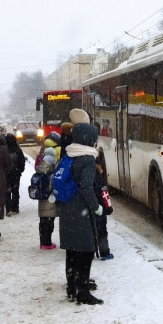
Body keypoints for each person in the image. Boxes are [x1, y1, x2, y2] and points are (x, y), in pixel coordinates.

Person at [59, 122, 105, 305]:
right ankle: (83, 291)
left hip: (67, 209)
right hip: (81, 211)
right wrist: (96, 207)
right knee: (86, 251)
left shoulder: (69, 154)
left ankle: (71, 288)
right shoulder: (87, 159)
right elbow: (86, 187)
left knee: (71, 251)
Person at [35, 133, 61, 250]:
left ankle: (43, 241)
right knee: (50, 217)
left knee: (44, 218)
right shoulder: (59, 150)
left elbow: (37, 167)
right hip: (51, 191)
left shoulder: (43, 151)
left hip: (42, 191)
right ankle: (46, 243)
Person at [94, 158, 114, 261]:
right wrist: (108, 208)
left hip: (88, 211)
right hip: (99, 211)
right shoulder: (99, 180)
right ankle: (105, 253)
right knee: (101, 232)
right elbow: (105, 196)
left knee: (91, 231)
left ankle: (90, 251)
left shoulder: (85, 177)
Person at [4, 133, 26, 217]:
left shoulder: (4, 150)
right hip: (16, 174)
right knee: (15, 191)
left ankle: (8, 208)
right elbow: (22, 161)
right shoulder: (18, 150)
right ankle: (15, 208)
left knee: (7, 191)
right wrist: (20, 170)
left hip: (7, 174)